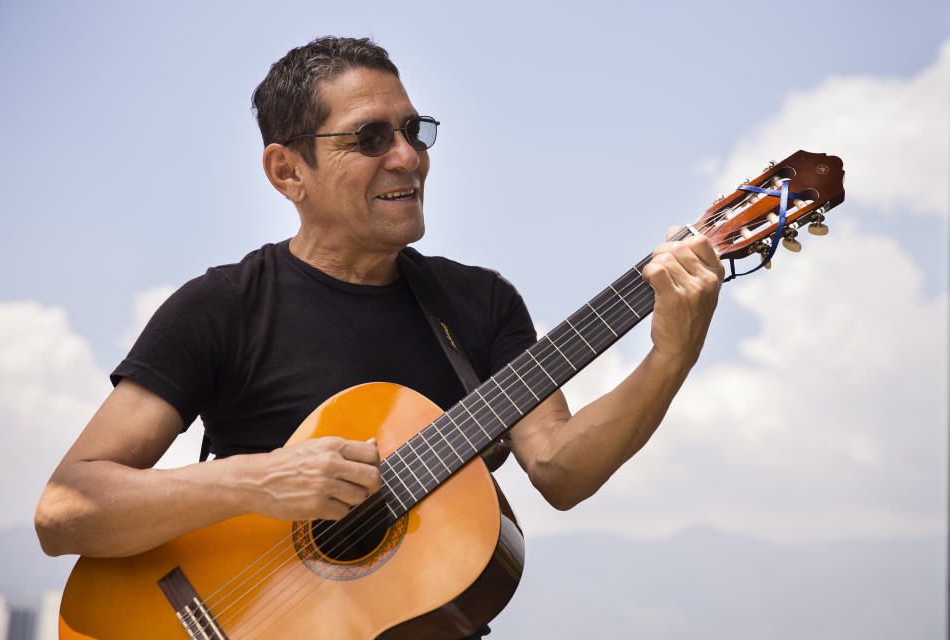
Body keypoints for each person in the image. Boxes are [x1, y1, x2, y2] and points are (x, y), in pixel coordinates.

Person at [35, 36, 723, 636]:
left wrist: (671, 355)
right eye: (370, 138)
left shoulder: (480, 304)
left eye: (413, 131)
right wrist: (257, 481)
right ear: (287, 171)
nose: (407, 157)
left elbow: (560, 471)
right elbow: (66, 508)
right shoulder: (223, 307)